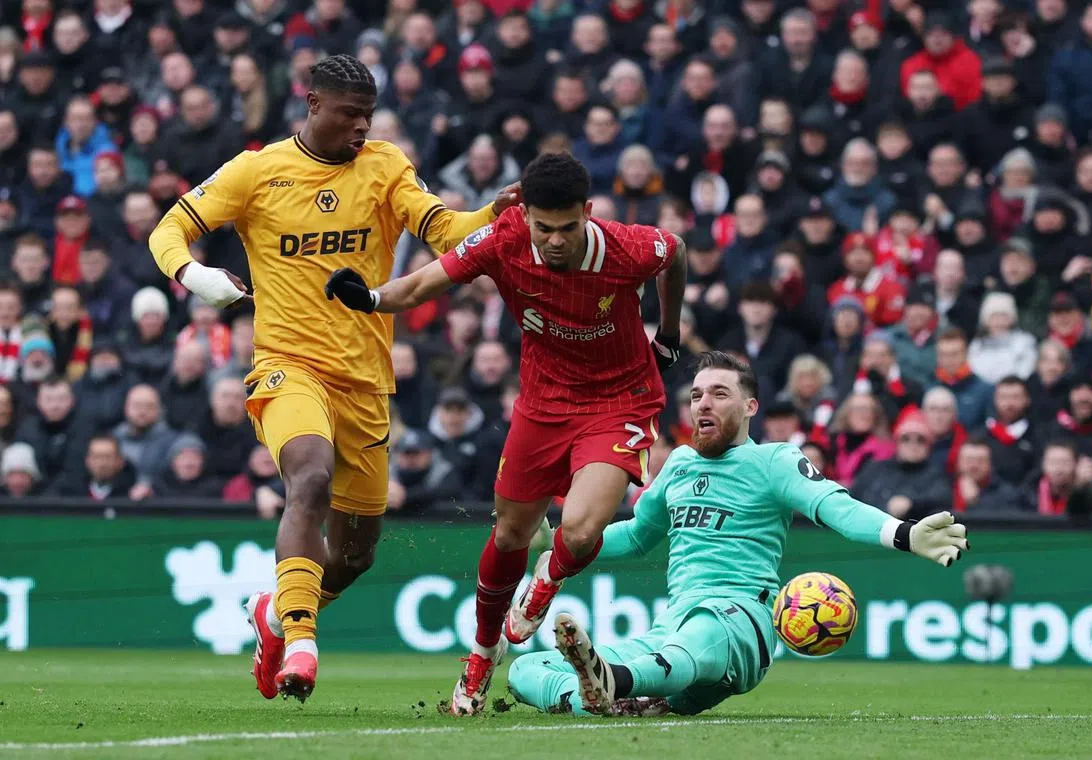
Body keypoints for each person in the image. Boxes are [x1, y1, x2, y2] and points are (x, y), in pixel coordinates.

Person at [147, 53, 521, 704]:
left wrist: (494, 212)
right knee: (310, 477)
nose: (361, 127)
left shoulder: (386, 166)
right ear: (313, 104)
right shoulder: (257, 171)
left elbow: (444, 232)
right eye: (350, 115)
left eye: (368, 116)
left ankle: (274, 613)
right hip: (287, 366)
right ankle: (301, 643)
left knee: (353, 557)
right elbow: (169, 228)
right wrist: (195, 275)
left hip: (366, 383)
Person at [324, 151, 687, 715]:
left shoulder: (627, 248)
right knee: (511, 533)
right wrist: (370, 298)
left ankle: (547, 580)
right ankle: (481, 655)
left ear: (588, 213)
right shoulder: (505, 237)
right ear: (526, 216)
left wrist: (669, 332)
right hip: (542, 405)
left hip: (620, 401)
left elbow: (676, 251)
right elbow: (421, 286)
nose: (555, 241)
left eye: (568, 228)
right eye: (544, 228)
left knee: (581, 531)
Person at [506, 351, 969, 716]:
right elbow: (636, 536)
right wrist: (562, 542)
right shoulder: (679, 465)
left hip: (741, 619)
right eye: (696, 395)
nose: (703, 403)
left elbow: (836, 508)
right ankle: (604, 697)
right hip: (672, 625)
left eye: (719, 394)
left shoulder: (774, 462)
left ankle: (617, 681)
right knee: (527, 669)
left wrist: (904, 534)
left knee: (698, 635)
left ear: (750, 407)